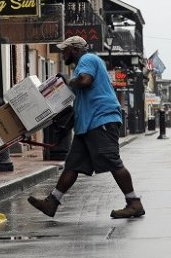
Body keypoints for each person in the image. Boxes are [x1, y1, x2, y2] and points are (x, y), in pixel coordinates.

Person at [27, 35, 145, 219]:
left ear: (74, 50)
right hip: (87, 125)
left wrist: (66, 81)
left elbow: (85, 81)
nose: (62, 53)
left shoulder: (87, 59)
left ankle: (134, 203)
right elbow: (82, 95)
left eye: (65, 50)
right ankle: (52, 202)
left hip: (101, 120)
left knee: (113, 162)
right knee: (72, 166)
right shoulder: (82, 65)